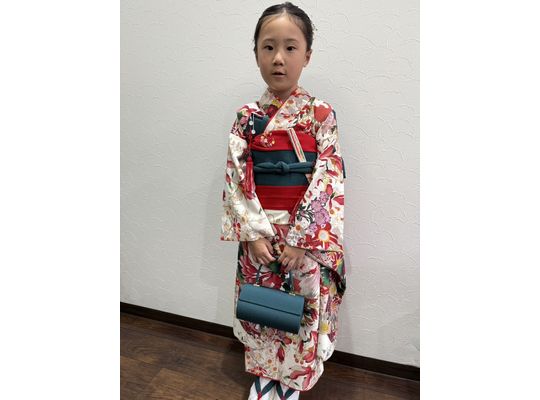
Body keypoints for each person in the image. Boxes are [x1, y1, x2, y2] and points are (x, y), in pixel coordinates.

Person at [220, 3, 346, 399]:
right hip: (259, 232)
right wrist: (254, 233)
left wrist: (300, 240)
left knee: (300, 307)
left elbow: (328, 177)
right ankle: (263, 376)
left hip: (302, 236)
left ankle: (292, 382)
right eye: (268, 47)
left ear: (307, 55)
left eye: (291, 48)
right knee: (261, 306)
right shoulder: (247, 117)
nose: (279, 58)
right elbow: (237, 176)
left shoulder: (320, 114)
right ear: (256, 53)